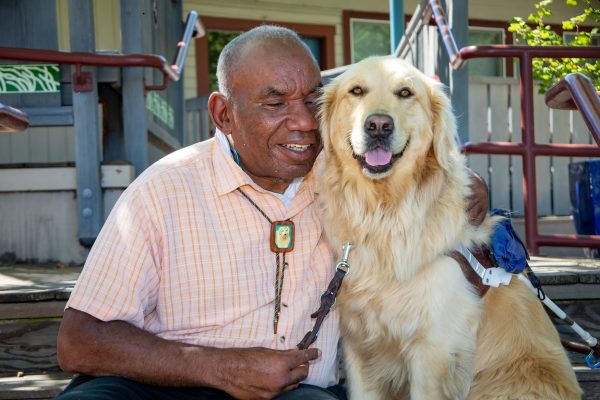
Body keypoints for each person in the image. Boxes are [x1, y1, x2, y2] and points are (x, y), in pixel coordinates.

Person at [55, 25, 489, 400]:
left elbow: (423, 168)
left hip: (299, 392)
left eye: (312, 101)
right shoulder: (164, 188)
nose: (303, 122)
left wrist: (471, 186)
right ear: (223, 114)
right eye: (275, 103)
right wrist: (220, 368)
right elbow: (78, 341)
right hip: (168, 386)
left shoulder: (344, 173)